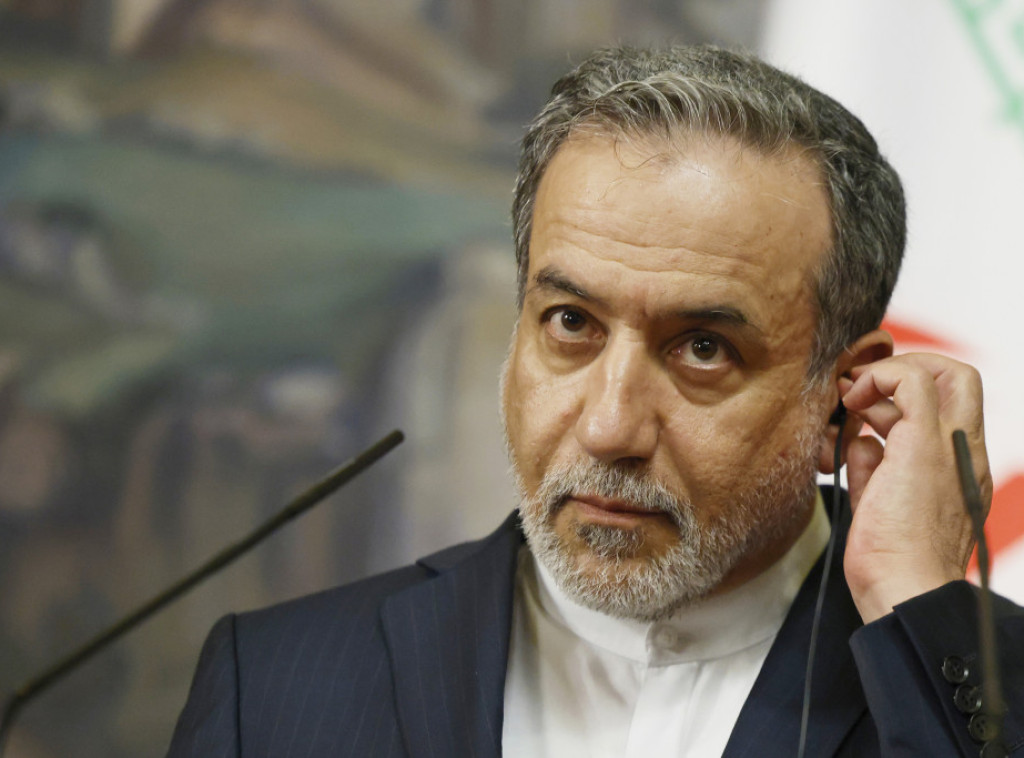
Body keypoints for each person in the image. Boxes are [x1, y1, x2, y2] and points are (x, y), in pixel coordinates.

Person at [166, 45, 1022, 758]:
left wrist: (919, 607)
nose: (610, 428)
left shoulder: (979, 692)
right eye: (571, 322)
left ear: (841, 395)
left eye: (703, 348)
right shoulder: (271, 684)